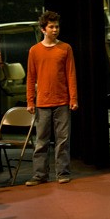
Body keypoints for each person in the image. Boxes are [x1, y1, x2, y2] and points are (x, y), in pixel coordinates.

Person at [26, 10, 78, 186]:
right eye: (51, 27)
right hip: (42, 102)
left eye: (57, 26)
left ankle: (62, 172)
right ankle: (40, 175)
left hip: (62, 101)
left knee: (63, 140)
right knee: (41, 141)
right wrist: (30, 101)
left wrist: (73, 99)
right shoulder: (34, 51)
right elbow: (31, 78)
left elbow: (71, 75)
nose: (55, 30)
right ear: (43, 29)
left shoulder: (65, 48)